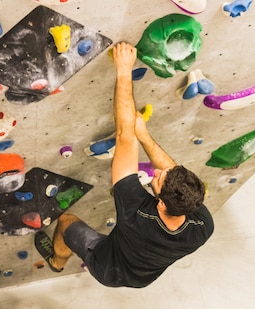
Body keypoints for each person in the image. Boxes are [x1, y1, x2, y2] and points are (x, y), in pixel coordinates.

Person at [35, 42, 214, 288]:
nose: (158, 170)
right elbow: (171, 174)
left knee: (65, 220)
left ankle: (56, 260)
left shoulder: (135, 211)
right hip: (143, 276)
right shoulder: (202, 225)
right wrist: (145, 135)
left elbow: (123, 134)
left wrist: (124, 69)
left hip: (108, 267)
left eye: (158, 177)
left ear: (160, 203)